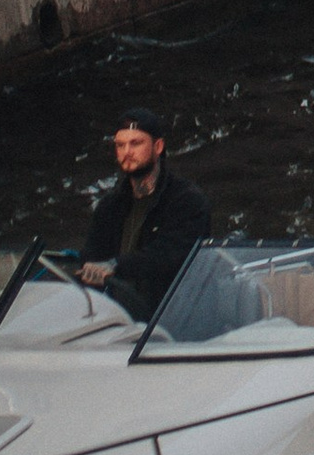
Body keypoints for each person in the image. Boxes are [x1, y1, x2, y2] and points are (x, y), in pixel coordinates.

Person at [77, 109, 213, 322]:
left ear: (158, 147)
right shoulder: (109, 206)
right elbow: (92, 252)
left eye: (136, 143)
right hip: (114, 320)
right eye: (120, 145)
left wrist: (115, 266)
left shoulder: (187, 200)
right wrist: (88, 267)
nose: (126, 152)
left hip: (172, 321)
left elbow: (170, 255)